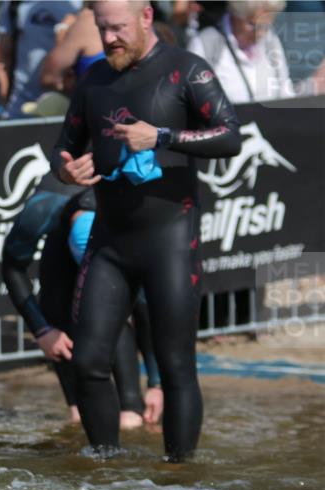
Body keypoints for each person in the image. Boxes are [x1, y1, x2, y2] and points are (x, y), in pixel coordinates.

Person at [51, 0, 241, 461]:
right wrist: (68, 173)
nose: (109, 38)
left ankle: (180, 476)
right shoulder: (95, 78)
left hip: (170, 241)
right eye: (102, 29)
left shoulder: (185, 70)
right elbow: (63, 150)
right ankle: (106, 471)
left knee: (177, 368)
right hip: (110, 241)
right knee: (90, 362)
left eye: (117, 28)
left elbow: (231, 136)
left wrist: (161, 136)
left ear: (146, 17)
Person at [1, 175, 162, 429]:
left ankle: (131, 406)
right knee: (79, 417)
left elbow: (145, 307)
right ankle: (77, 409)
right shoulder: (44, 207)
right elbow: (12, 268)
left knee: (130, 419)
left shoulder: (132, 217)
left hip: (114, 231)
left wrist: (156, 383)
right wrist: (41, 329)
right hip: (61, 230)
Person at [186, 0, 325, 103]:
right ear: (235, 15)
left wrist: (312, 86)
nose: (260, 32)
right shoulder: (205, 44)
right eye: (252, 24)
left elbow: (284, 95)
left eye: (266, 24)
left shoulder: (270, 40)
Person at [0, 0, 80, 119]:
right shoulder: (14, 4)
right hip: (21, 108)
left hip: (67, 108)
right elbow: (1, 56)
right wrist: (4, 93)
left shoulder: (81, 5)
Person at [39, 2, 105, 94]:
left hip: (97, 104)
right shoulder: (130, 14)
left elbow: (49, 78)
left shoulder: (88, 19)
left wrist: (61, 32)